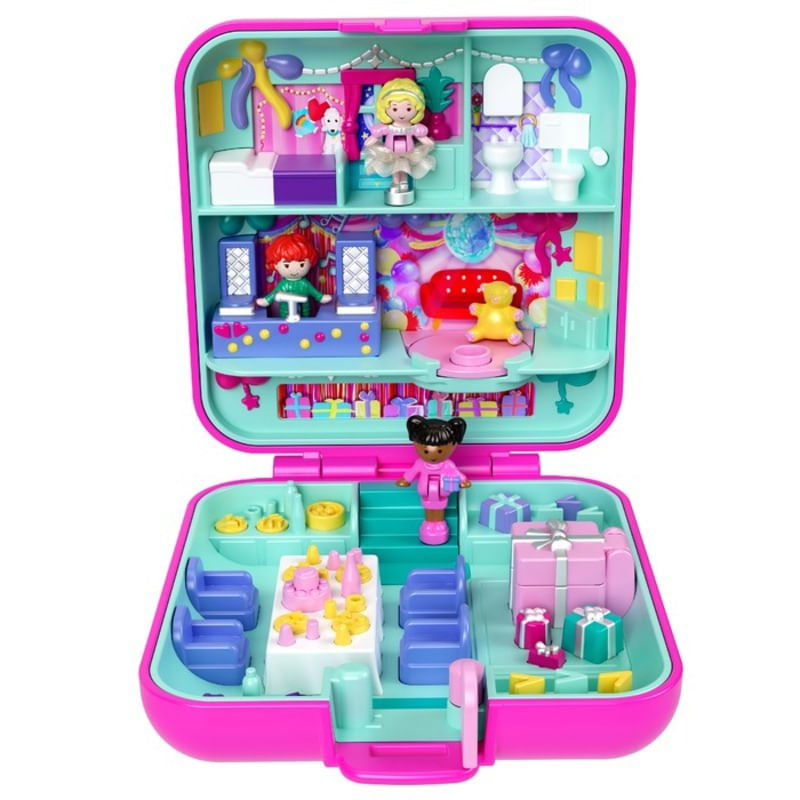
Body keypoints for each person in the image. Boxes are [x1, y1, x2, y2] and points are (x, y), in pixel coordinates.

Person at [397, 415, 471, 545]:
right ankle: (429, 523)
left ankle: (439, 524)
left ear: (453, 445)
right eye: (426, 451)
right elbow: (412, 472)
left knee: (439, 508)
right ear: (416, 444)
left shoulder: (447, 465)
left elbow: (456, 473)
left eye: (440, 451)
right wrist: (406, 479)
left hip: (442, 492)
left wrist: (462, 480)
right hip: (425, 492)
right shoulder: (420, 463)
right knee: (428, 507)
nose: (433, 455)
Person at [363, 78, 435, 206]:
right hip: (391, 153)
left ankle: (403, 183)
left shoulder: (413, 128)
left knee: (404, 169)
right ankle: (396, 183)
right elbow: (375, 136)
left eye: (408, 109)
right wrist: (371, 141)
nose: (402, 114)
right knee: (396, 169)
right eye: (395, 109)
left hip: (408, 153)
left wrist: (427, 141)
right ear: (385, 109)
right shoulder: (388, 128)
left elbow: (421, 137)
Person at [256, 232, 331, 318]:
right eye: (287, 265)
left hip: (305, 312)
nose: (294, 270)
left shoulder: (304, 284)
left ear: (311, 262)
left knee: (306, 320)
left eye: (301, 264)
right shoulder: (283, 284)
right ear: (275, 265)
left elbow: (315, 293)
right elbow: (274, 294)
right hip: (285, 312)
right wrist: (266, 300)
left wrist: (321, 297)